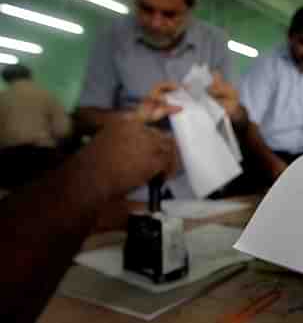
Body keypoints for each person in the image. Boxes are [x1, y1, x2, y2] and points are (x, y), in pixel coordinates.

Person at [75, 0, 283, 197]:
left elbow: (241, 122)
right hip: (131, 188)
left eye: (169, 14)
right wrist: (134, 117)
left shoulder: (213, 43)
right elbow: (83, 119)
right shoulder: (111, 39)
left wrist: (234, 112)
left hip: (200, 187)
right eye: (145, 9)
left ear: (191, 7)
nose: (155, 23)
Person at [0, 92, 180, 323]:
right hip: (39, 159)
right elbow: (64, 130)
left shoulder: (4, 98)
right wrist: (93, 173)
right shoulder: (44, 96)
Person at [238, 5, 303, 163]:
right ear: (290, 35)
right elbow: (248, 124)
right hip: (265, 156)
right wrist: (273, 166)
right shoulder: (267, 65)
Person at [0, 64, 71, 149]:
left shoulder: (3, 97)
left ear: (5, 79)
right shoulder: (47, 95)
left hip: (8, 150)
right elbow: (62, 128)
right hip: (42, 149)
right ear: (29, 76)